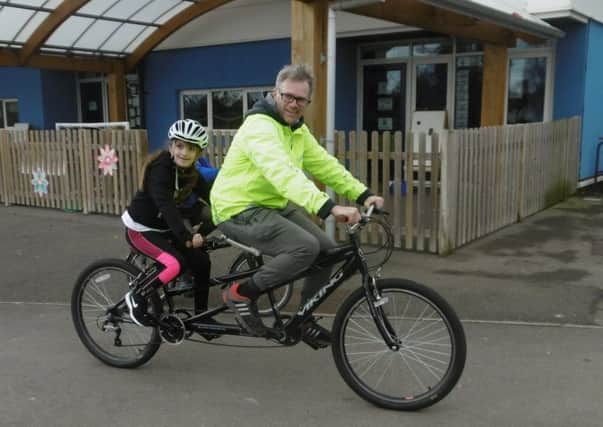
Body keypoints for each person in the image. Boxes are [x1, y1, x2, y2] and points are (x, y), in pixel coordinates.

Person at [210, 64, 384, 346]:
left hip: (270, 204)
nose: (293, 103)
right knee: (305, 247)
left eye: (300, 99)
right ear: (274, 93)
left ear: (308, 102)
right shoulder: (259, 127)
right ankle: (240, 293)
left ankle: (304, 319)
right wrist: (329, 207)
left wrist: (363, 194)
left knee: (328, 250)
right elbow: (282, 173)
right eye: (287, 96)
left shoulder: (297, 132)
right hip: (237, 207)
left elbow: (326, 166)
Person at [122, 119, 213, 327]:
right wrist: (187, 237)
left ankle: (202, 317)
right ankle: (137, 297)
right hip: (140, 229)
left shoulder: (192, 173)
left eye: (191, 148)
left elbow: (214, 199)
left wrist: (234, 213)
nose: (184, 152)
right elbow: (167, 206)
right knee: (175, 263)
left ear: (199, 153)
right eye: (180, 146)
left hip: (162, 228)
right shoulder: (160, 168)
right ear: (171, 146)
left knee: (201, 261)